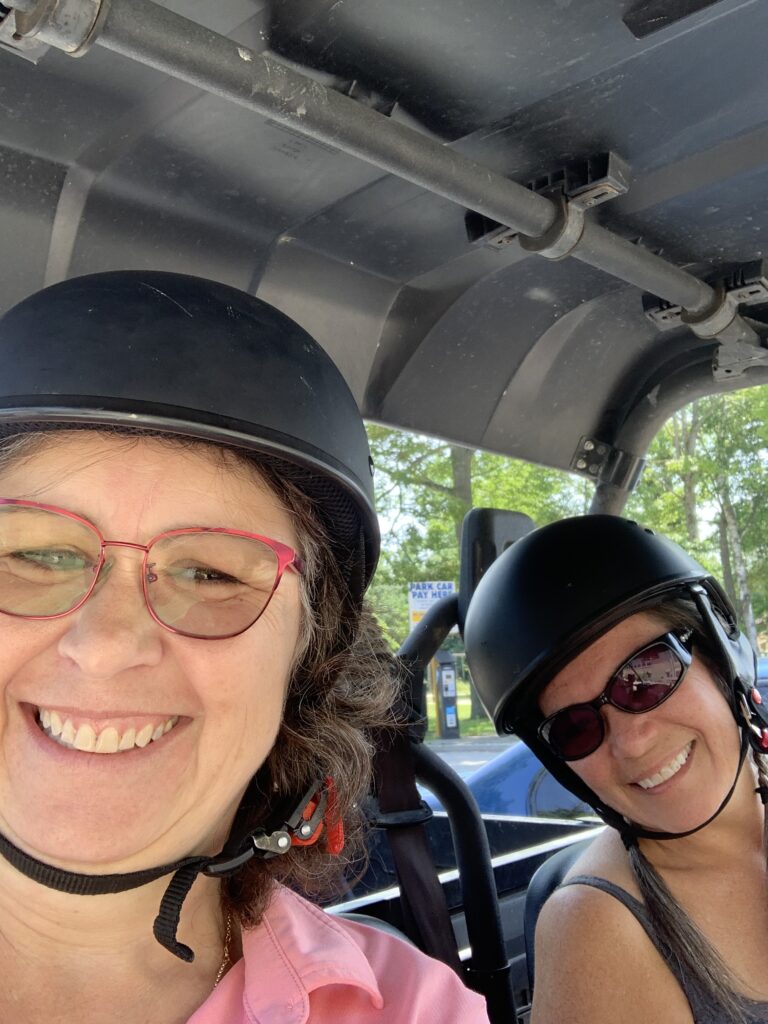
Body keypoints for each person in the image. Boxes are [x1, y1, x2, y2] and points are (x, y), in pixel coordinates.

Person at [0, 271, 489, 1024]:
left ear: (308, 662)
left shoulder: (409, 1010)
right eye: (37, 555)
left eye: (211, 572)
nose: (104, 646)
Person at [464, 514, 768, 1024]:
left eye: (645, 676)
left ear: (720, 657)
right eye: (575, 727)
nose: (630, 742)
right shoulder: (594, 929)